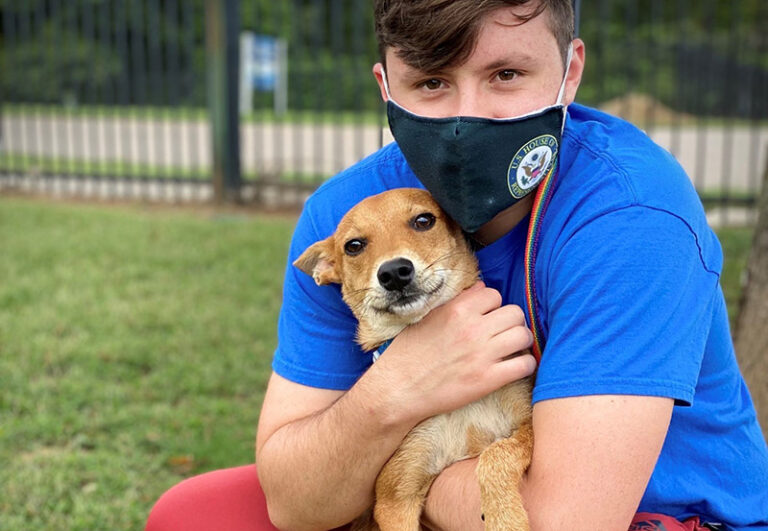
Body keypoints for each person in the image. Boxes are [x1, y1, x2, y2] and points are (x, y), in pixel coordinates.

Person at [146, 1, 768, 530]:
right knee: (191, 514)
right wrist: (402, 386)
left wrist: (396, 479)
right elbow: (293, 498)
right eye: (432, 82)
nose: (468, 118)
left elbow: (559, 521)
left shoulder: (631, 216)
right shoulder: (346, 222)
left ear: (570, 72)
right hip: (450, 495)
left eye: (505, 73)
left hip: (663, 514)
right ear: (386, 85)